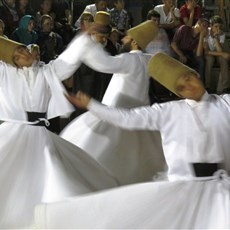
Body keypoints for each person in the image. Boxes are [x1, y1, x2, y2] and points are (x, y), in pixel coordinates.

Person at [35, 52, 230, 229]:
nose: (189, 87)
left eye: (189, 79)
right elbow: (127, 118)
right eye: (181, 87)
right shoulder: (170, 111)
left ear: (197, 74)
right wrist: (92, 105)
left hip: (221, 186)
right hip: (185, 187)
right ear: (179, 93)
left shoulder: (225, 104)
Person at [0, 35, 118, 228]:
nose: (25, 53)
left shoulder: (47, 71)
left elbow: (69, 61)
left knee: (51, 173)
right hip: (15, 131)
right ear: (11, 60)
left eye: (25, 49)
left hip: (40, 133)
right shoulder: (6, 72)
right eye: (18, 53)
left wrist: (85, 38)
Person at [60, 20, 165, 185]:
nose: (122, 40)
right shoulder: (148, 60)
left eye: (127, 38)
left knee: (100, 154)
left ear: (134, 42)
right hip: (139, 118)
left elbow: (103, 63)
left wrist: (87, 40)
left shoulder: (129, 59)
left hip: (118, 115)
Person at [171, 17, 209, 83]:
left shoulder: (200, 35)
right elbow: (173, 44)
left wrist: (201, 37)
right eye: (203, 25)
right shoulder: (184, 28)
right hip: (177, 51)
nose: (204, 28)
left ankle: (201, 84)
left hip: (189, 53)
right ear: (198, 23)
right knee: (181, 61)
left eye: (206, 27)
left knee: (200, 60)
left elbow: (198, 54)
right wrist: (181, 55)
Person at [204, 15, 230, 94]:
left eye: (219, 27)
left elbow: (219, 50)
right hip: (210, 54)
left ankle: (226, 87)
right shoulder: (206, 32)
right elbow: (205, 51)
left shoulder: (221, 34)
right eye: (216, 26)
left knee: (223, 60)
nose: (218, 29)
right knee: (209, 59)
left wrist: (215, 37)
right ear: (210, 26)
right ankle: (207, 86)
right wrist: (221, 53)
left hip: (217, 53)